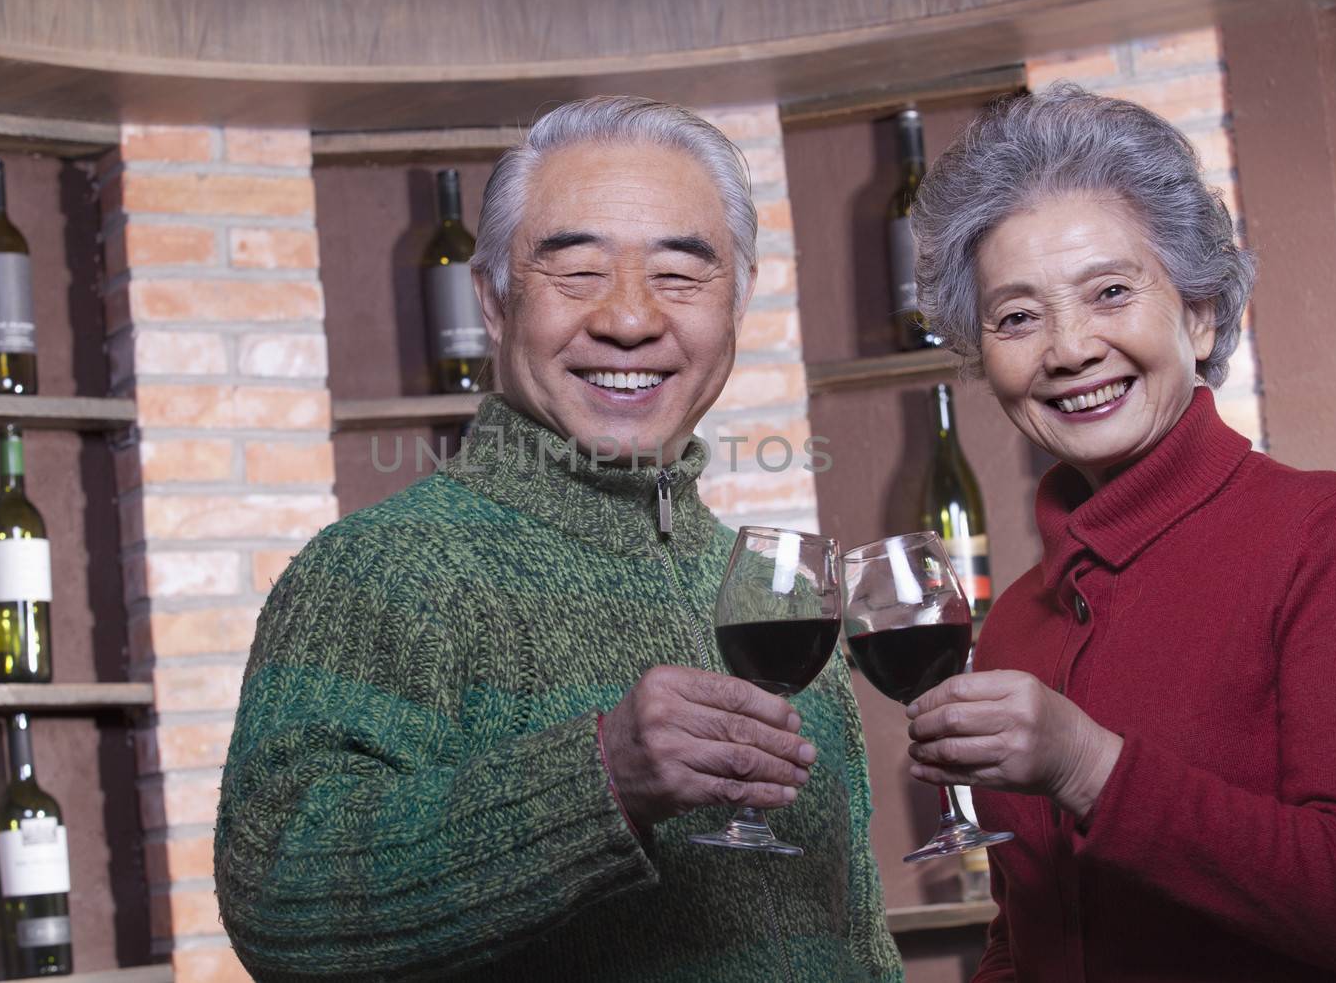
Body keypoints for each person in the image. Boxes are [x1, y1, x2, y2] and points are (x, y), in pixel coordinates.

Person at [214, 96, 902, 982]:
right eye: (577, 271)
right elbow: (278, 906)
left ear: (739, 302)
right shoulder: (380, 572)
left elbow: (852, 929)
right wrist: (601, 775)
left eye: (680, 275)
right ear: (495, 301)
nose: (627, 319)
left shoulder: (775, 591)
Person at [902, 83, 1336, 981]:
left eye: (1111, 293)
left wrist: (1089, 765)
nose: (1069, 348)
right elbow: (1029, 932)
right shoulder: (1016, 619)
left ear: (1199, 315)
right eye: (1017, 317)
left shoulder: (1333, 536)